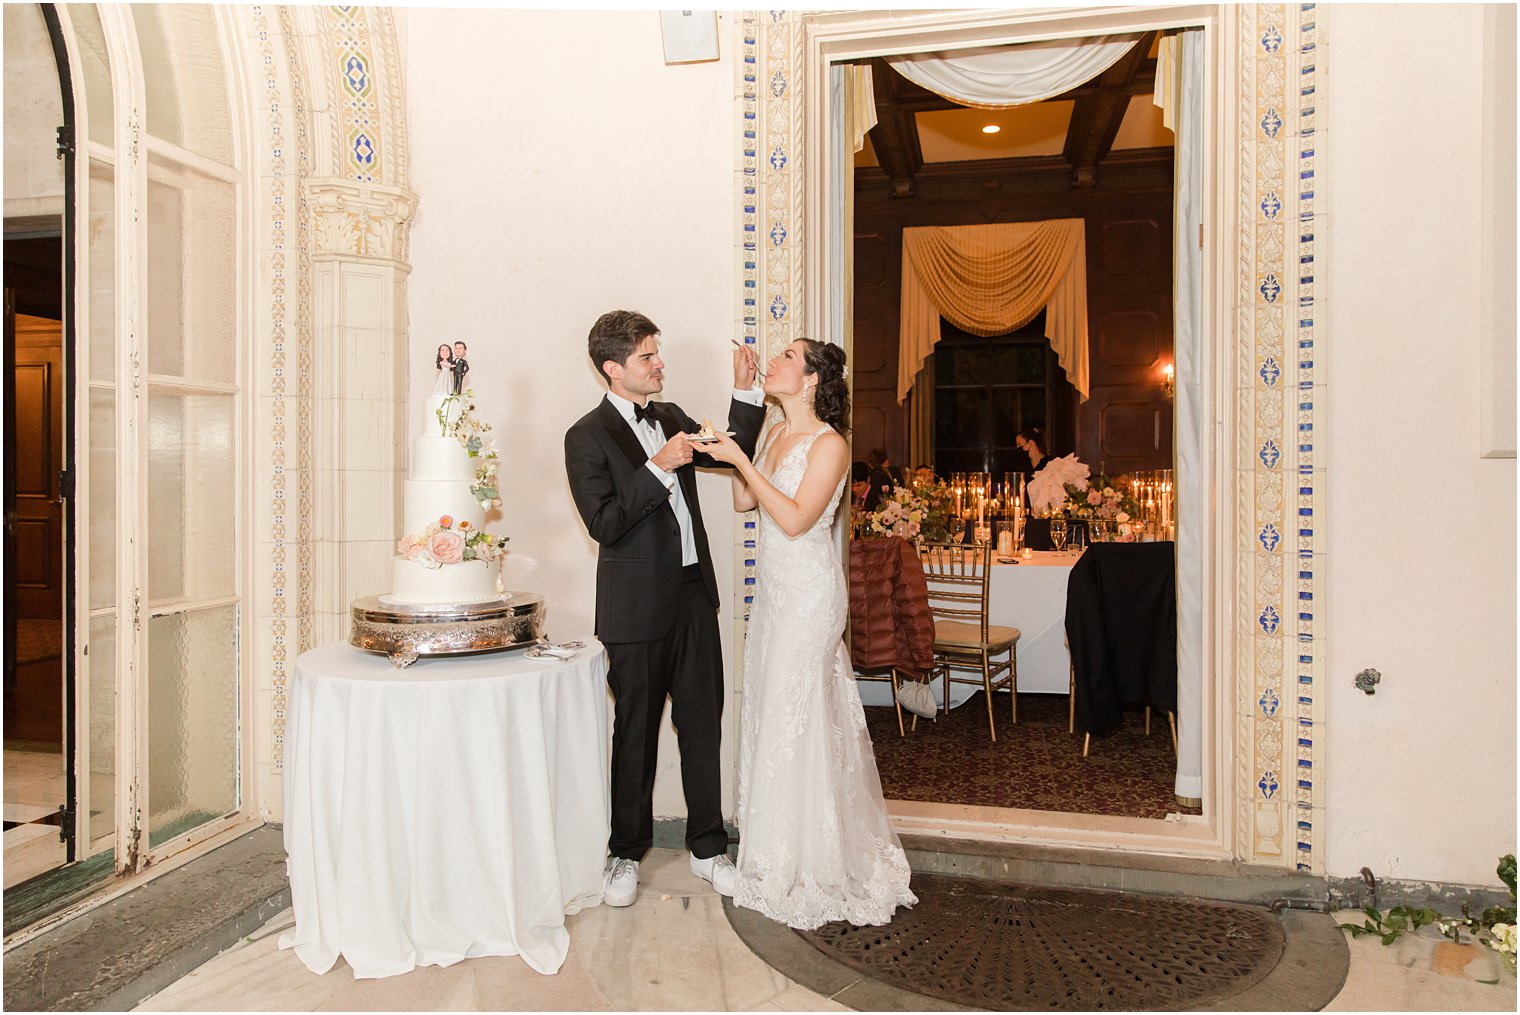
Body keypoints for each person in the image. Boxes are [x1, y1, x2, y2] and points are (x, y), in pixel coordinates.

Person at [700, 338, 917, 931]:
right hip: (774, 596)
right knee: (774, 712)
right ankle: (774, 853)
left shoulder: (832, 445)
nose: (773, 361)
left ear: (814, 377)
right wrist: (741, 422)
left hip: (811, 597)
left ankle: (816, 860)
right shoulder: (771, 434)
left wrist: (740, 461)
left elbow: (796, 520)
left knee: (800, 714)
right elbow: (746, 502)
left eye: (787, 357)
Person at [564, 311, 764, 909]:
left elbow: (731, 456)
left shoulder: (671, 415)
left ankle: (709, 848)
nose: (660, 365)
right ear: (613, 368)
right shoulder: (586, 436)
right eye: (648, 357)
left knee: (703, 724)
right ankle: (625, 853)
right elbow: (605, 524)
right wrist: (657, 468)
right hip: (633, 609)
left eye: (657, 354)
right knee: (635, 734)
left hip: (693, 597)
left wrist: (745, 394)